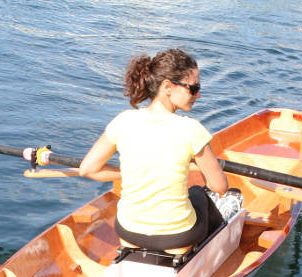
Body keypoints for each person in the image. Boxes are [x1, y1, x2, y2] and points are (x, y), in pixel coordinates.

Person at [78, 49, 240, 252]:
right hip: (177, 236)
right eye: (194, 88)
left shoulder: (123, 120)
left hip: (127, 231)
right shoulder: (191, 129)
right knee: (199, 193)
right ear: (167, 87)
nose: (198, 94)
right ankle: (216, 240)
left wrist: (136, 173)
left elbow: (88, 169)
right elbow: (219, 187)